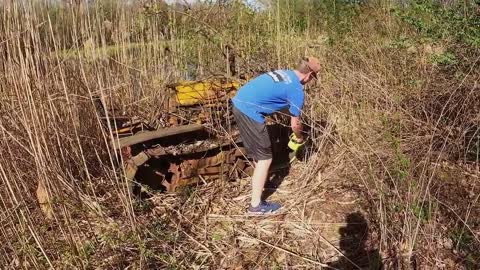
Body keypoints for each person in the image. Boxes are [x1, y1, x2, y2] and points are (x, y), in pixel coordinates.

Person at [231, 56, 320, 215]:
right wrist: (299, 137)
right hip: (249, 111)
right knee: (265, 158)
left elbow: (277, 100)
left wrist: (295, 113)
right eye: (313, 78)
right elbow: (294, 125)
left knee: (261, 155)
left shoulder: (284, 73)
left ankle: (258, 186)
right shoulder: (296, 90)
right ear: (308, 75)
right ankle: (256, 206)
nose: (311, 81)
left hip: (239, 101)